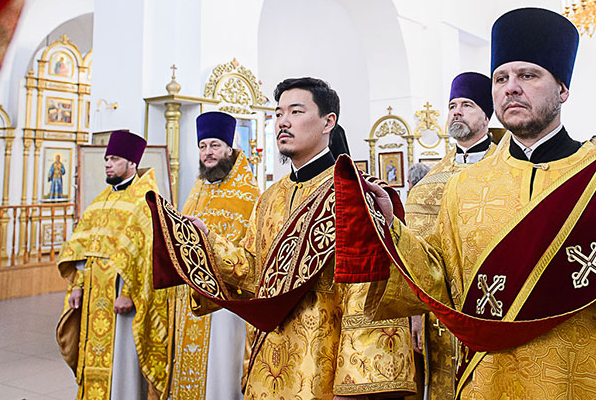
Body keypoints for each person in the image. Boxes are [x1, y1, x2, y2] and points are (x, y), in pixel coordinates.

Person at [335, 8, 596, 399]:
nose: (511, 87)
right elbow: (441, 282)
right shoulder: (464, 187)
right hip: (492, 384)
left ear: (563, 90)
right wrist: (391, 229)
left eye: (528, 76)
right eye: (501, 78)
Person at [150, 77, 416, 400]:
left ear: (328, 122)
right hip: (267, 366)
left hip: (321, 368)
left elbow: (368, 297)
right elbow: (252, 271)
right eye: (278, 114)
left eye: (296, 111)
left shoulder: (352, 193)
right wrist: (207, 241)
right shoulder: (270, 199)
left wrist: (353, 387)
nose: (283, 122)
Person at [57, 130, 172, 400]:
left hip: (123, 295)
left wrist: (128, 293)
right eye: (107, 159)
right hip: (94, 295)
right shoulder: (100, 200)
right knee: (93, 355)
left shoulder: (145, 201)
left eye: (115, 159)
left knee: (122, 360)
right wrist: (77, 286)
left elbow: (147, 255)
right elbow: (83, 250)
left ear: (132, 163)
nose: (108, 164)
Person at [404, 72, 496, 400]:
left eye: (467, 105)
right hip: (441, 315)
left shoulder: (507, 169)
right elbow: (416, 255)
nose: (457, 112)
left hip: (495, 304)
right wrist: (416, 313)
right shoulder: (429, 183)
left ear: (486, 116)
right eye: (452, 106)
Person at [170, 112, 259, 400]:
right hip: (191, 296)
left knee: (221, 369)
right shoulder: (197, 188)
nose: (208, 152)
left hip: (226, 301)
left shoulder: (248, 194)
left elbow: (251, 254)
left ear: (229, 150)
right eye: (203, 146)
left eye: (215, 145)